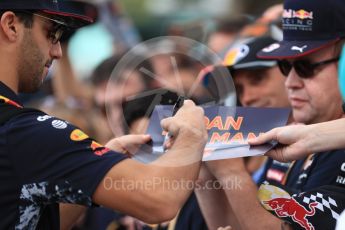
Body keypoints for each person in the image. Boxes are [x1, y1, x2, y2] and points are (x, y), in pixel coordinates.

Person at [0, 1, 208, 229]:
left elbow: (26, 218)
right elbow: (160, 201)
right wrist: (192, 131)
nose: (57, 51)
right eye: (52, 33)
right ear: (11, 26)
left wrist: (92, 173)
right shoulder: (23, 132)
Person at [198, 0, 345, 228]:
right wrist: (204, 173)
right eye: (286, 67)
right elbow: (240, 224)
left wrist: (230, 171)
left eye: (306, 67)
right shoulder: (289, 139)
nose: (291, 82)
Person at [195, 35, 291, 230]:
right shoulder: (258, 145)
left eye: (257, 79)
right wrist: (202, 173)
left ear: (290, 70)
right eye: (239, 89)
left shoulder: (327, 143)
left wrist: (230, 172)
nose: (248, 98)